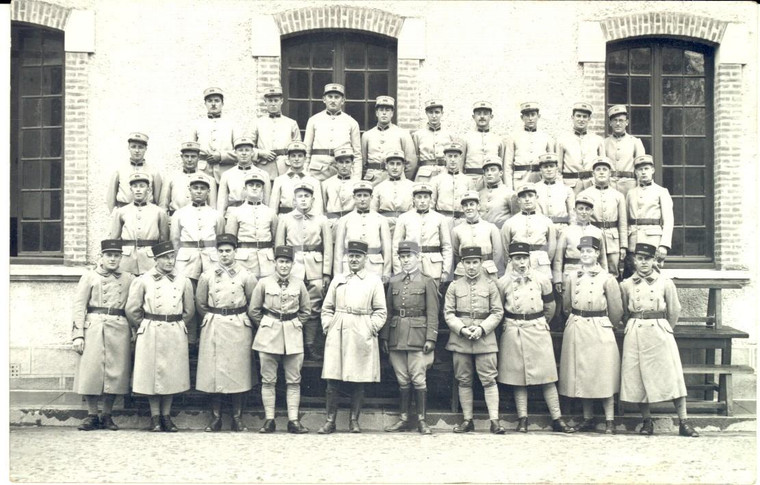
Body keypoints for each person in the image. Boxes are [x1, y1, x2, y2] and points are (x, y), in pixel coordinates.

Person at [619, 243, 698, 437]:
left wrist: (665, 329)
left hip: (660, 332)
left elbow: (674, 310)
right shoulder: (626, 284)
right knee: (639, 378)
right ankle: (647, 422)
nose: (644, 263)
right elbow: (623, 312)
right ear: (634, 261)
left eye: (647, 258)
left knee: (672, 376)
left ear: (654, 260)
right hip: (636, 331)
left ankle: (684, 421)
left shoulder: (665, 282)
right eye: (639, 258)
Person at [497, 242, 575, 434]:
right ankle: (522, 419)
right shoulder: (503, 282)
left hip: (537, 328)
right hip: (514, 329)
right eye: (517, 259)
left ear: (529, 259)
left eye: (524, 258)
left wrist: (539, 321)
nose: (521, 262)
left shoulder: (541, 279)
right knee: (518, 377)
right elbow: (498, 308)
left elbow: (550, 307)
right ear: (511, 261)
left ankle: (557, 418)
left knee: (547, 376)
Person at [318, 240, 387, 434]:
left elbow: (381, 311)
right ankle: (330, 421)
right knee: (333, 378)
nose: (354, 260)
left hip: (361, 329)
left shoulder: (373, 281)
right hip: (338, 329)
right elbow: (327, 307)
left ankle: (354, 420)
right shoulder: (338, 279)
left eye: (358, 256)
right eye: (351, 256)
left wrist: (370, 327)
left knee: (358, 378)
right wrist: (328, 325)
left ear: (365, 259)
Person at [126, 241, 194, 432]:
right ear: (156, 260)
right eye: (164, 257)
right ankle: (155, 416)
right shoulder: (143, 280)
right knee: (153, 375)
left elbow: (189, 311)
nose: (169, 261)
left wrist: (177, 325)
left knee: (172, 374)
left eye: (172, 256)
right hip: (151, 330)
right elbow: (132, 310)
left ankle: (167, 416)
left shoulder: (183, 281)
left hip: (174, 330)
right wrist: (146, 325)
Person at [558, 236, 623, 434]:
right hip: (578, 326)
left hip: (599, 327)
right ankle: (588, 418)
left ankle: (610, 420)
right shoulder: (572, 277)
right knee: (583, 373)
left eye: (590, 251)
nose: (586, 254)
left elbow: (616, 309)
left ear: (597, 254)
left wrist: (604, 324)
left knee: (602, 373)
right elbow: (567, 305)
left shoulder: (607, 278)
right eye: (583, 251)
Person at [195, 234, 257, 432]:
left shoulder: (246, 275)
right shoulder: (207, 275)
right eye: (220, 251)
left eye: (228, 251)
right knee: (215, 373)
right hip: (215, 324)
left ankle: (237, 418)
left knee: (238, 372)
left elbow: (252, 302)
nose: (224, 255)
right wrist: (214, 316)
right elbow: (200, 303)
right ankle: (216, 417)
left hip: (238, 324)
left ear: (235, 252)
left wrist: (239, 318)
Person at [71, 239, 135, 431]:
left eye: (116, 255)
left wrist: (133, 330)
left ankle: (107, 415)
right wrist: (78, 335)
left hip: (119, 326)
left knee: (115, 372)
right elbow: (79, 305)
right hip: (94, 326)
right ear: (102, 256)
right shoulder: (90, 277)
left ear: (121, 257)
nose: (113, 259)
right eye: (109, 255)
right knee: (91, 372)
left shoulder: (129, 279)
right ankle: (92, 415)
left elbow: (133, 307)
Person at [249, 245, 311, 434]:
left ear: (292, 264)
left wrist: (295, 324)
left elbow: (306, 310)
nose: (284, 265)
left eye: (287, 262)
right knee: (268, 380)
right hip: (268, 335)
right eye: (281, 261)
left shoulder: (299, 284)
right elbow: (254, 310)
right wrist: (268, 324)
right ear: (275, 263)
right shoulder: (264, 283)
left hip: (292, 335)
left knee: (294, 380)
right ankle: (269, 420)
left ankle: (293, 421)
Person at [444, 246, 505, 434]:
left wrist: (481, 328)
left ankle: (494, 421)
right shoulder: (454, 286)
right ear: (462, 264)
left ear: (480, 263)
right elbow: (448, 313)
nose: (471, 266)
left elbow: (497, 312)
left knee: (489, 379)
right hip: (460, 339)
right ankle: (467, 420)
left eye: (475, 262)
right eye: (468, 262)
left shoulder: (491, 285)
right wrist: (461, 329)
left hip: (484, 339)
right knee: (464, 380)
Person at [381, 241, 438, 435]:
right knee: (402, 379)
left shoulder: (427, 281)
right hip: (397, 335)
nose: (406, 260)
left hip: (418, 336)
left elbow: (432, 312)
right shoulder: (394, 281)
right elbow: (388, 312)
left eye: (409, 256)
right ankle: (404, 419)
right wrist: (385, 337)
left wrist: (431, 338)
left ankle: (422, 420)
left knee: (418, 378)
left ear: (418, 257)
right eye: (402, 257)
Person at [275, 182, 333, 361]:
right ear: (294, 200)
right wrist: (281, 271)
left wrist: (326, 273)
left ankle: (309, 345)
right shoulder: (285, 219)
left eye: (307, 196)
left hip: (315, 266)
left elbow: (328, 247)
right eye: (300, 196)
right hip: (294, 267)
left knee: (314, 307)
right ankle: (294, 343)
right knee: (293, 304)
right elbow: (279, 246)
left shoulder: (321, 219)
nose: (303, 199)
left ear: (313, 199)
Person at [171, 174, 226, 344]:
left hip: (210, 259)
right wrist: (174, 263)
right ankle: (190, 340)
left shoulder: (216, 214)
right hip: (187, 261)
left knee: (208, 298)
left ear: (208, 191)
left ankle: (208, 339)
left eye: (203, 188)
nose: (199, 191)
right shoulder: (180, 214)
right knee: (188, 299)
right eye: (196, 188)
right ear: (190, 190)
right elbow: (174, 240)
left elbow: (220, 238)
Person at [110, 172, 170, 276]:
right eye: (135, 186)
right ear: (131, 189)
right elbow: (114, 240)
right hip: (127, 260)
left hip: (150, 260)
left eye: (142, 186)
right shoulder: (121, 212)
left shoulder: (159, 212)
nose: (138, 189)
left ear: (149, 189)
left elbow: (164, 240)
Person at [393, 183, 453, 286]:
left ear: (430, 199)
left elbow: (446, 246)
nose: (422, 200)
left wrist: (446, 270)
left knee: (433, 298)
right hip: (411, 266)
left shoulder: (440, 218)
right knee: (413, 297)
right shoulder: (404, 218)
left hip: (434, 267)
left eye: (426, 197)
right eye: (419, 197)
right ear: (413, 199)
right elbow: (396, 247)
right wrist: (399, 270)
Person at [578, 157, 628, 277]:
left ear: (610, 173)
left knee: (613, 273)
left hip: (613, 240)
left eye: (604, 169)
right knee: (591, 270)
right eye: (598, 169)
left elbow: (622, 223)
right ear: (593, 173)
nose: (601, 172)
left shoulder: (618, 196)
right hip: (592, 237)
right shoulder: (584, 195)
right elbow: (580, 221)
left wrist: (623, 246)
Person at [625, 155, 674, 276]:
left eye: (646, 168)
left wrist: (664, 245)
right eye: (640, 170)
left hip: (652, 240)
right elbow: (625, 220)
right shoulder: (631, 193)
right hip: (633, 240)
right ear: (636, 172)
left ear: (652, 170)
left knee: (652, 275)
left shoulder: (661, 191)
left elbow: (668, 220)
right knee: (633, 276)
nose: (643, 172)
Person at [334, 181, 392, 281]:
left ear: (371, 197)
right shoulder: (344, 220)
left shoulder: (381, 219)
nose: (362, 199)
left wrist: (386, 273)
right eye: (359, 196)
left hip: (374, 266)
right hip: (350, 266)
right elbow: (339, 250)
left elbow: (386, 249)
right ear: (353, 197)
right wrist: (338, 274)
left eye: (365, 195)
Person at [225, 172, 278, 278]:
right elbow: (230, 240)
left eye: (258, 186)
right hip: (244, 261)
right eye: (251, 185)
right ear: (245, 189)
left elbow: (275, 238)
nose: (254, 188)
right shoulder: (236, 212)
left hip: (266, 260)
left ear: (262, 189)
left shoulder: (270, 212)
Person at [304, 83, 362, 181]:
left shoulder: (351, 122)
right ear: (324, 99)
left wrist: (356, 177)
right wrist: (305, 172)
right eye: (330, 97)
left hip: (341, 171)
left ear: (343, 100)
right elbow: (306, 150)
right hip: (317, 170)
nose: (333, 100)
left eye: (337, 97)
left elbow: (357, 154)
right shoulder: (314, 120)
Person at [552, 195, 608, 296]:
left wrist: (605, 276)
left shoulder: (598, 232)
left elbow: (602, 258)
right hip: (571, 271)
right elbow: (558, 259)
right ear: (574, 210)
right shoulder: (566, 231)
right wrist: (558, 279)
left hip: (592, 272)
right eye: (580, 209)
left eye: (587, 209)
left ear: (592, 211)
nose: (584, 212)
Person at [501, 183, 556, 278]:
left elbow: (551, 247)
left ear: (536, 197)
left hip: (540, 264)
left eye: (530, 196)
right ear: (518, 200)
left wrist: (543, 258)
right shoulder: (510, 222)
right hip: (517, 263)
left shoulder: (546, 221)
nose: (527, 199)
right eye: (523, 197)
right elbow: (505, 248)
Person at [361, 95, 417, 185]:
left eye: (387, 110)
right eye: (381, 110)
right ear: (376, 113)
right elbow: (362, 162)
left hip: (395, 180)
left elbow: (411, 163)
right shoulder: (367, 135)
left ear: (392, 113)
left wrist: (401, 178)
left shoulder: (402, 134)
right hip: (372, 180)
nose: (384, 113)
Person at [190, 87, 242, 183]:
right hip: (202, 171)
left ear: (222, 103)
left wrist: (221, 156)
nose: (213, 104)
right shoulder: (197, 124)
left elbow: (241, 151)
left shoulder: (232, 124)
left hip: (225, 171)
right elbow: (190, 151)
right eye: (210, 101)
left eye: (217, 101)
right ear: (205, 103)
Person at [250, 85, 301, 179]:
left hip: (286, 167)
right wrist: (260, 153)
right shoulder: (257, 123)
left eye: (276, 100)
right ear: (265, 102)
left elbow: (299, 148)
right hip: (264, 166)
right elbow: (247, 147)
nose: (273, 104)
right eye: (270, 101)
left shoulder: (291, 123)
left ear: (281, 101)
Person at [451, 191, 505, 280]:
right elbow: (456, 254)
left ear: (478, 206)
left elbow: (497, 253)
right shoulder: (456, 230)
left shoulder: (490, 227)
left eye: (472, 204)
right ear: (462, 208)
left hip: (487, 269)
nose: (468, 208)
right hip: (464, 271)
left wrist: (490, 267)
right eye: (465, 205)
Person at [504, 102, 555, 190]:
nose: (530, 118)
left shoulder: (546, 137)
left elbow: (552, 163)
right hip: (520, 180)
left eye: (533, 115)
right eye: (527, 115)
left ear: (538, 116)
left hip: (540, 179)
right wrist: (509, 188)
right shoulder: (513, 137)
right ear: (522, 117)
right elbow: (507, 165)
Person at [106, 132, 162, 212]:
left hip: (147, 213)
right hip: (124, 211)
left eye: (140, 147)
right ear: (128, 147)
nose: (137, 150)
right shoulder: (119, 170)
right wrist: (115, 214)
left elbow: (158, 199)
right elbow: (111, 197)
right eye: (133, 147)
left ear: (146, 148)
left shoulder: (154, 172)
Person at [557, 102, 605, 195]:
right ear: (572, 117)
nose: (581, 119)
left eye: (584, 116)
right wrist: (561, 188)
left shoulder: (598, 140)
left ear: (589, 119)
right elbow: (558, 169)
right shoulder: (562, 140)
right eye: (578, 116)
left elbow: (602, 167)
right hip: (570, 185)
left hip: (592, 185)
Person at [160, 142, 218, 216]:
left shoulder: (209, 180)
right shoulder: (170, 178)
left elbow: (212, 209)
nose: (189, 160)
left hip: (199, 221)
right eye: (186, 156)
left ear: (198, 157)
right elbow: (163, 207)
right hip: (175, 219)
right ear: (182, 157)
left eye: (193, 156)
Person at [217, 137, 272, 213]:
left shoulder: (263, 174)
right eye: (240, 150)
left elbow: (266, 202)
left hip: (255, 213)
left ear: (252, 152)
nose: (244, 153)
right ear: (235, 153)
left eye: (247, 150)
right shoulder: (227, 174)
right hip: (233, 212)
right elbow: (221, 202)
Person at [269, 141, 324, 215]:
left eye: (300, 156)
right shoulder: (279, 180)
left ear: (305, 158)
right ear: (288, 158)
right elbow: (273, 208)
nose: (296, 159)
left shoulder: (313, 181)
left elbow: (318, 209)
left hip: (306, 221)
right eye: (293, 156)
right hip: (285, 219)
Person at [431, 142, 476, 230]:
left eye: (455, 156)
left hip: (463, 222)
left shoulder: (468, 180)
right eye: (450, 156)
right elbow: (431, 205)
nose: (452, 159)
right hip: (443, 221)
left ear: (460, 158)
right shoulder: (436, 180)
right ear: (445, 158)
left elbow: (473, 204)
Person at [461, 101, 505, 188]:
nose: (482, 116)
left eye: (485, 114)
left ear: (491, 116)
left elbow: (501, 163)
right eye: (478, 114)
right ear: (473, 117)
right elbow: (460, 164)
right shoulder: (466, 138)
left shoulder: (498, 139)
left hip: (491, 182)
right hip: (471, 180)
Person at [370, 150, 415, 235]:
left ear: (403, 166)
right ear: (386, 166)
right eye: (391, 164)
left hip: (407, 227)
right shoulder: (378, 188)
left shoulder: (412, 187)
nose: (395, 167)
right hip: (385, 228)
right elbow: (373, 213)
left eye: (398, 164)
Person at [604, 105, 645, 197]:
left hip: (629, 186)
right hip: (610, 186)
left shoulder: (635, 142)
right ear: (610, 123)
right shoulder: (604, 143)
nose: (618, 124)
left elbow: (641, 168)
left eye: (621, 120)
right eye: (615, 120)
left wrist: (640, 190)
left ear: (627, 122)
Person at [412, 99, 456, 183]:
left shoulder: (449, 135)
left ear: (442, 113)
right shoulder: (418, 135)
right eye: (430, 112)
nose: (434, 116)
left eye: (437, 112)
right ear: (426, 113)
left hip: (445, 173)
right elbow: (414, 159)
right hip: (424, 175)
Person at [534, 153, 575, 232]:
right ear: (540, 169)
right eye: (545, 167)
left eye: (552, 166)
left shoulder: (566, 189)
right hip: (541, 228)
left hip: (562, 228)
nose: (549, 169)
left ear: (557, 168)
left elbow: (572, 215)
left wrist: (570, 231)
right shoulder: (534, 189)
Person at [321, 147, 357, 227]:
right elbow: (323, 208)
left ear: (352, 163)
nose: (344, 166)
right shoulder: (326, 184)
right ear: (336, 163)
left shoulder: (357, 183)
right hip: (332, 223)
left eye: (347, 162)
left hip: (352, 223)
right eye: (341, 162)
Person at [477, 157, 515, 229]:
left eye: (493, 170)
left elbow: (516, 218)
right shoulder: (480, 194)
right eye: (487, 171)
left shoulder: (509, 193)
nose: (489, 173)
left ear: (500, 173)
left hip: (501, 233)